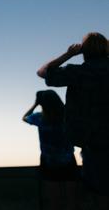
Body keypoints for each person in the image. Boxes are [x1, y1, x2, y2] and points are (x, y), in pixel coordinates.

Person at [37, 32, 109, 208]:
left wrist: (68, 55)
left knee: (99, 194)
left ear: (84, 49)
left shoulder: (77, 73)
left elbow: (43, 72)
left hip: (94, 145)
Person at [22, 90, 77, 210]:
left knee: (53, 199)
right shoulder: (67, 116)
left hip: (49, 161)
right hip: (68, 160)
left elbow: (24, 118)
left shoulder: (39, 118)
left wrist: (35, 104)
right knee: (71, 198)